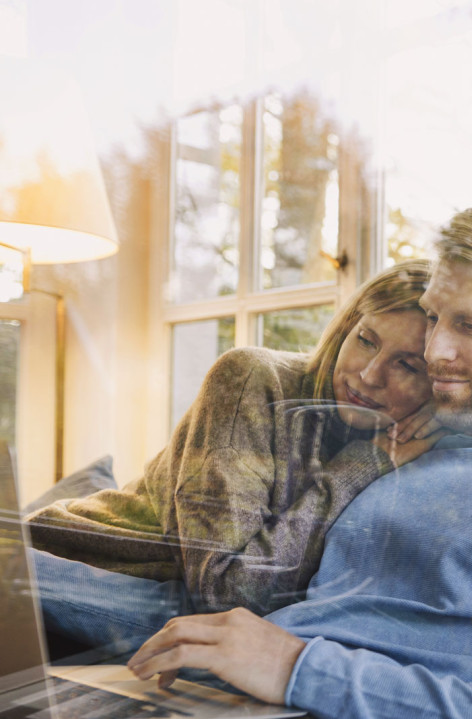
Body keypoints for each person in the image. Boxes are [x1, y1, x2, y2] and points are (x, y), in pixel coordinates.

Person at [54, 205, 472, 718]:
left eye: (470, 326)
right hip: (206, 686)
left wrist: (297, 667)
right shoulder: (399, 442)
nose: (436, 349)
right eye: (434, 318)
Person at [25, 260, 444, 616]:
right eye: (365, 340)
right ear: (346, 328)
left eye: (407, 366)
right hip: (59, 560)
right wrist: (363, 465)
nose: (368, 374)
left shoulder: (420, 442)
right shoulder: (253, 380)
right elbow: (225, 593)